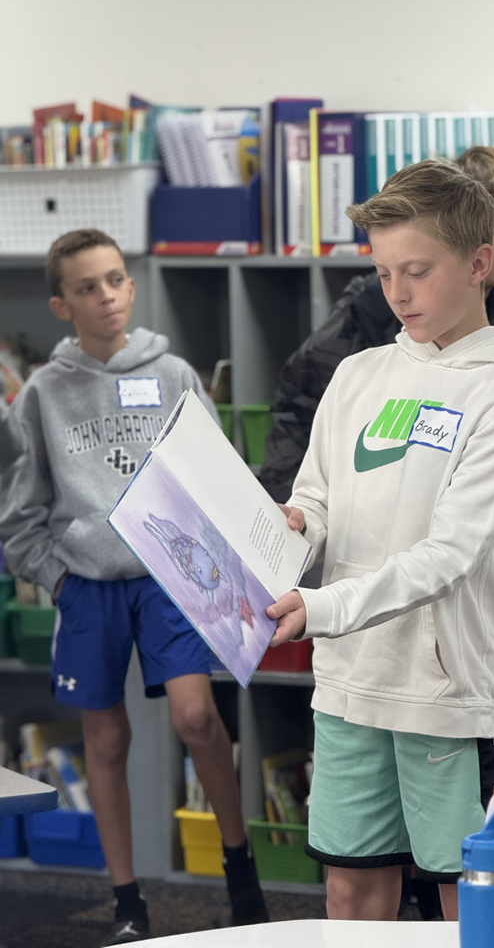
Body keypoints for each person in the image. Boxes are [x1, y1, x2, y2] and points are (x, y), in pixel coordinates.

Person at [266, 160, 494, 921]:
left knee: (470, 896)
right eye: (385, 271)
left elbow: (450, 556)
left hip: (447, 696)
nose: (397, 292)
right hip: (350, 683)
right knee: (352, 887)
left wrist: (320, 607)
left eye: (417, 271)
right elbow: (319, 494)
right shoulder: (359, 373)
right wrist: (301, 527)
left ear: (478, 263)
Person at [0, 229, 268, 945]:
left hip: (169, 576)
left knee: (196, 718)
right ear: (61, 303)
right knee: (106, 738)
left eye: (116, 280)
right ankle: (127, 900)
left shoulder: (174, 373)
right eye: (87, 287)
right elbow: (20, 514)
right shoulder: (42, 395)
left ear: (132, 285)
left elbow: (217, 477)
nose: (107, 296)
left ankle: (240, 869)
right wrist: (56, 581)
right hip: (86, 584)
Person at [261, 145, 494, 664]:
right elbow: (310, 417)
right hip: (350, 645)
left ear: (473, 263)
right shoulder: (365, 342)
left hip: (445, 645)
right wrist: (290, 527)